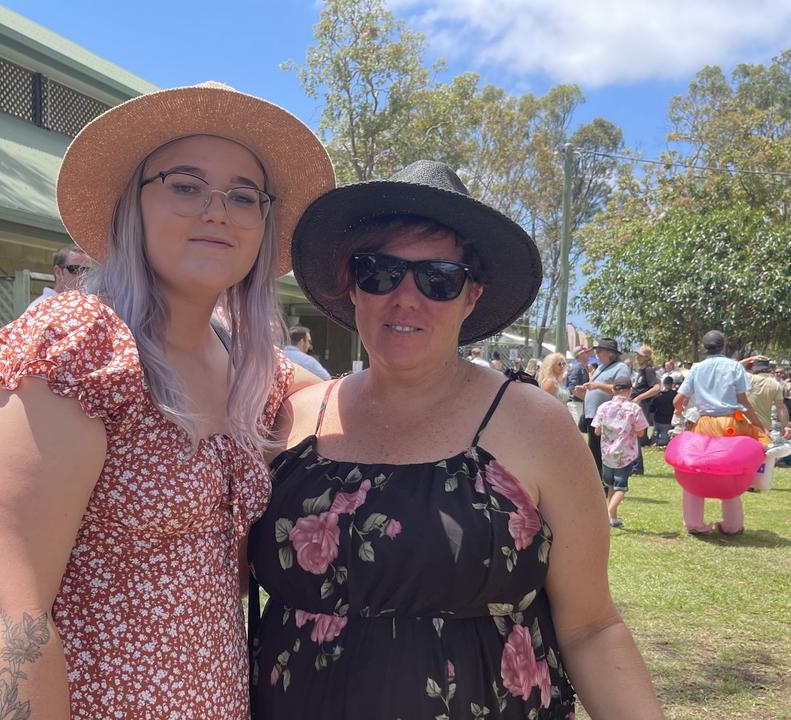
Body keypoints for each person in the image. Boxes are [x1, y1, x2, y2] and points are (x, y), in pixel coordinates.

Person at [0, 82, 335, 719]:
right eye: (185, 184)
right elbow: (11, 607)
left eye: (242, 195)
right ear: (131, 205)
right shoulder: (81, 344)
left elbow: (365, 408)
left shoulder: (250, 369)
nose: (217, 210)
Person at [250, 160, 663, 719]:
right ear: (352, 284)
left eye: (438, 279)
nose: (406, 298)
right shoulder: (294, 420)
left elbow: (591, 626)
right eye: (379, 272)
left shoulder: (534, 425)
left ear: (472, 296)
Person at [672, 331, 769, 535]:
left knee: (696, 471)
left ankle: (693, 522)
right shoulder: (734, 366)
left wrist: (681, 412)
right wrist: (758, 425)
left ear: (705, 348)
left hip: (703, 423)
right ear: (724, 346)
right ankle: (733, 525)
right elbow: (743, 400)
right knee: (730, 470)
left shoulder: (697, 369)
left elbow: (677, 400)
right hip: (732, 422)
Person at [593, 379, 649, 528]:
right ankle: (607, 514)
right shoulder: (633, 408)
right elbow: (641, 432)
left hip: (606, 454)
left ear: (613, 390)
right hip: (624, 454)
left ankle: (613, 517)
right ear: (630, 391)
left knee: (610, 485)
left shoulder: (603, 407)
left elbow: (597, 430)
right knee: (621, 487)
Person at [574, 338, 631, 475]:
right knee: (594, 450)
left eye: (599, 351)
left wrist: (597, 386)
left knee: (602, 452)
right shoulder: (600, 367)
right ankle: (598, 479)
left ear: (610, 353)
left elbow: (622, 390)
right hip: (593, 415)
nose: (597, 354)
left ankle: (604, 482)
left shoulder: (620, 367)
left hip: (608, 418)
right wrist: (584, 392)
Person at [27, 243, 94, 310]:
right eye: (76, 269)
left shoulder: (88, 306)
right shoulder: (39, 308)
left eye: (88, 271)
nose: (84, 276)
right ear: (58, 272)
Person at [628, 345, 660, 475]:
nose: (637, 357)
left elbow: (656, 388)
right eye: (637, 355)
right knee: (632, 434)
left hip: (642, 405)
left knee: (635, 434)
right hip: (636, 404)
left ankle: (637, 466)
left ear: (646, 358)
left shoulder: (648, 371)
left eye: (640, 355)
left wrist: (639, 397)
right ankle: (635, 464)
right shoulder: (640, 371)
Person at [651, 377, 679, 446]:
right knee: (664, 441)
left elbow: (651, 409)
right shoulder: (675, 395)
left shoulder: (657, 395)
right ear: (672, 384)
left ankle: (655, 436)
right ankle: (657, 439)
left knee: (656, 433)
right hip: (667, 422)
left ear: (663, 383)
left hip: (657, 420)